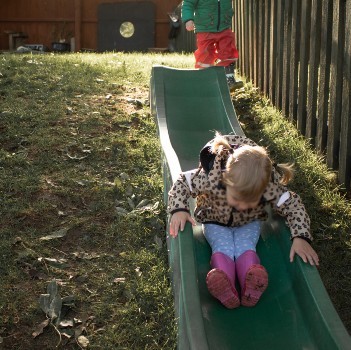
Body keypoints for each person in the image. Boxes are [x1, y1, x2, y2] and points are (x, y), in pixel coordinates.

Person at [168, 132, 319, 309]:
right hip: (214, 220)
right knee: (222, 246)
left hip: (249, 222)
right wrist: (179, 209)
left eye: (250, 201)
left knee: (245, 245)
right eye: (237, 199)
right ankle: (224, 283)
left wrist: (300, 237)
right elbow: (182, 182)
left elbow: (293, 205)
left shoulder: (266, 184)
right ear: (226, 181)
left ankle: (252, 281)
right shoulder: (211, 178)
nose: (241, 206)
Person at [181, 0, 244, 91]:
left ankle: (229, 78)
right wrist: (188, 19)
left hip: (224, 26)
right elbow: (188, 4)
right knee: (205, 53)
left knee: (228, 50)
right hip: (204, 28)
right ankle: (204, 78)